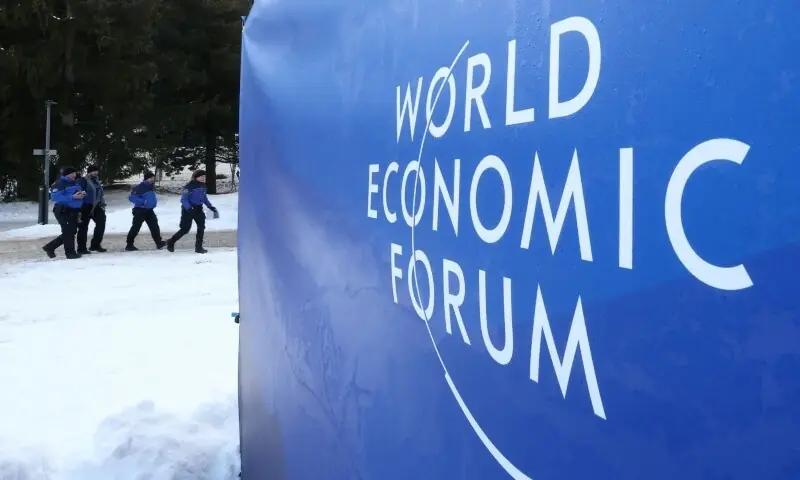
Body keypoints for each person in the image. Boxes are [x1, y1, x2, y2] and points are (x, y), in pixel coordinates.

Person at [166, 169, 219, 254]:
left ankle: (198, 248)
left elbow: (204, 198)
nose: (203, 178)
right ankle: (171, 242)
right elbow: (183, 199)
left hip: (198, 209)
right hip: (188, 209)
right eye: (201, 176)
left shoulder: (203, 186)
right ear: (196, 177)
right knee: (185, 229)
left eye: (204, 176)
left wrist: (210, 206)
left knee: (201, 227)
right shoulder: (189, 186)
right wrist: (189, 209)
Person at [42, 167, 86, 259]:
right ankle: (70, 253)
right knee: (68, 231)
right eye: (72, 174)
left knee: (71, 231)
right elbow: (56, 198)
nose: (74, 175)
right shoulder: (59, 184)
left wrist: (82, 194)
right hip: (63, 210)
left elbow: (76, 193)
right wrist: (73, 197)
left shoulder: (75, 182)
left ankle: (50, 247)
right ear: (66, 174)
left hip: (74, 211)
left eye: (75, 173)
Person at [126, 171, 166, 251]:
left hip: (149, 210)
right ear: (146, 179)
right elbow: (131, 197)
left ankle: (159, 243)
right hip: (140, 211)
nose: (152, 180)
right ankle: (129, 245)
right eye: (151, 178)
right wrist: (142, 202)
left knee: (154, 226)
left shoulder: (150, 186)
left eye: (153, 178)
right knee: (136, 228)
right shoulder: (141, 187)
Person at [76, 164, 107, 254]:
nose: (95, 173)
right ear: (89, 172)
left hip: (97, 206)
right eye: (93, 171)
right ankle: (81, 248)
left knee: (101, 224)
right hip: (85, 207)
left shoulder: (97, 181)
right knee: (83, 227)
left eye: (96, 171)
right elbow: (78, 192)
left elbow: (100, 194)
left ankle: (95, 245)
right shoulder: (82, 181)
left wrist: (102, 203)